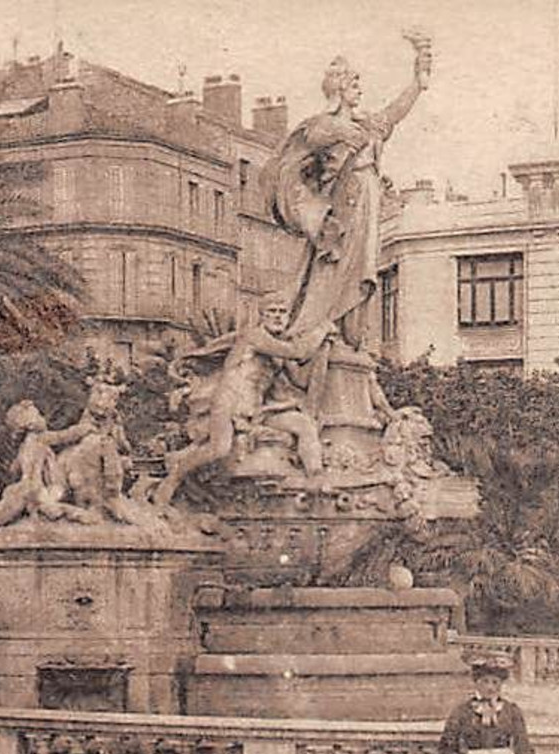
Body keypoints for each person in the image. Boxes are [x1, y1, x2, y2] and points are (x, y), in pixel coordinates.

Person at [266, 37, 431, 357]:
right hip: (344, 208)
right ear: (339, 88)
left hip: (369, 203)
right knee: (336, 269)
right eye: (355, 83)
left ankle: (348, 337)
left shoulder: (366, 124)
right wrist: (340, 133)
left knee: (361, 271)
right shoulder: (322, 127)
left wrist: (417, 82)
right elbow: (298, 155)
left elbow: (393, 114)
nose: (360, 89)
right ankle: (318, 330)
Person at [148, 294, 334, 508]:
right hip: (229, 401)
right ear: (261, 316)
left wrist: (324, 351)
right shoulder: (254, 337)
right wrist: (322, 330)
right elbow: (298, 351)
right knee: (219, 448)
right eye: (272, 311)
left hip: (256, 409)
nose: (277, 316)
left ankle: (316, 479)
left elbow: (301, 380)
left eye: (282, 312)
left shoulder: (277, 350)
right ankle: (172, 480)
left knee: (304, 425)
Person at [0, 400, 97, 530]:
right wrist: (84, 428)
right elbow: (64, 436)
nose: (42, 418)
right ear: (30, 424)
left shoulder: (23, 447)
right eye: (38, 415)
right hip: (31, 489)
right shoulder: (40, 438)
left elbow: (14, 470)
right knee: (0, 518)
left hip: (27, 488)